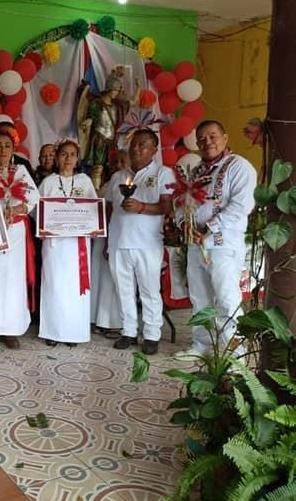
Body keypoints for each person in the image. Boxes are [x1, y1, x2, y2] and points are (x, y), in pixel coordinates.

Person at [175, 120, 257, 357]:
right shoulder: (197, 170)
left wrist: (210, 228)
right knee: (199, 297)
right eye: (202, 139)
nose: (207, 142)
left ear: (225, 137)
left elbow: (242, 206)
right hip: (195, 243)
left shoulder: (239, 167)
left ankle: (235, 353)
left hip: (222, 243)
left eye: (212, 136)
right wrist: (184, 224)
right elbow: (182, 202)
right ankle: (202, 346)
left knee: (226, 298)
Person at [106, 129, 174, 354]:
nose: (136, 148)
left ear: (154, 150)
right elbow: (108, 209)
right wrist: (107, 240)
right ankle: (129, 331)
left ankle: (152, 334)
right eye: (134, 144)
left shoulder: (163, 173)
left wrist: (141, 207)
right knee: (123, 290)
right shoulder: (118, 176)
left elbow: (166, 206)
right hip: (118, 241)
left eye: (143, 144)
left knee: (149, 290)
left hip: (147, 243)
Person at [0, 130, 39, 349]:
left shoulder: (20, 171)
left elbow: (34, 199)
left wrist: (18, 207)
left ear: (13, 151)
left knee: (13, 281)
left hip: (16, 233)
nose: (2, 150)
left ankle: (11, 329)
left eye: (7, 146)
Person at [38, 139, 97, 347]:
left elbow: (93, 212)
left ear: (77, 158)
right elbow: (38, 211)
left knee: (75, 289)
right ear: (57, 158)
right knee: (54, 286)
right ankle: (53, 332)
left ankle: (74, 332)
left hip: (77, 245)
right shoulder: (48, 183)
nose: (68, 159)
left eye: (72, 154)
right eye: (64, 154)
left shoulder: (84, 182)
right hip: (55, 246)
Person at [90, 150, 128, 335]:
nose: (118, 165)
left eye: (123, 161)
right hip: (100, 236)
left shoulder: (130, 183)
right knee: (96, 277)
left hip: (113, 237)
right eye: (115, 161)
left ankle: (111, 321)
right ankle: (95, 317)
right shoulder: (108, 183)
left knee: (110, 280)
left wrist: (107, 241)